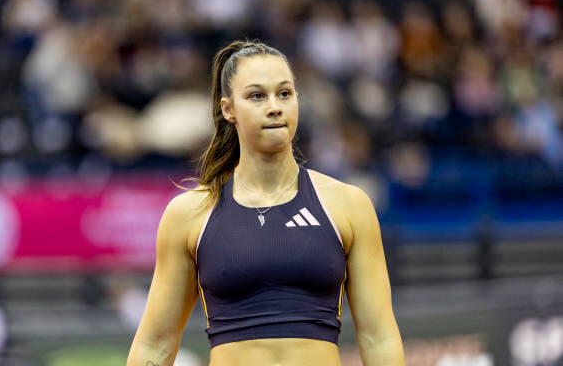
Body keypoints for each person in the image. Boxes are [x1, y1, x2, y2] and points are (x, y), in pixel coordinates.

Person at [126, 40, 405, 366]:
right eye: (257, 96)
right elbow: (155, 345)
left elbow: (378, 337)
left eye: (284, 93)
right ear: (228, 109)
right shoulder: (190, 215)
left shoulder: (348, 205)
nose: (275, 107)